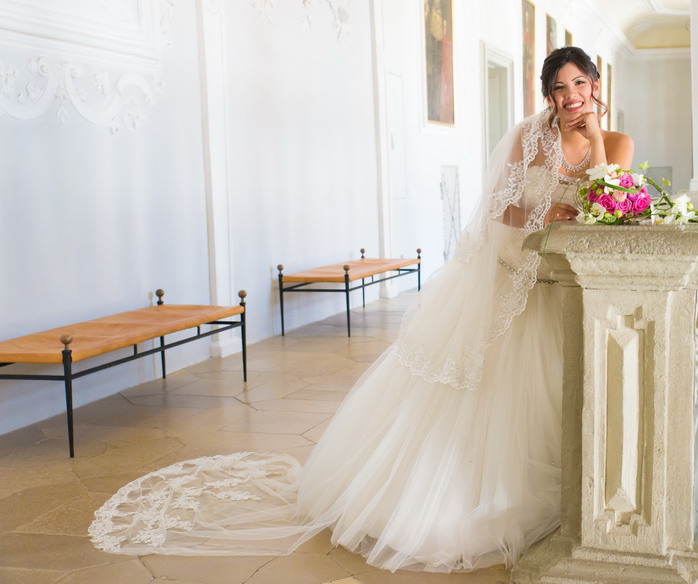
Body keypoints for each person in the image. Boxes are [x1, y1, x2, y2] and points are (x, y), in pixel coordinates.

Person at [89, 47, 634, 572]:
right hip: (512, 272)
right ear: (547, 94)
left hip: (558, 282)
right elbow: (499, 209)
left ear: (595, 85)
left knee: (552, 391)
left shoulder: (617, 140)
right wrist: (541, 214)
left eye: (580, 84)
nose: (570, 96)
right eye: (559, 87)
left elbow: (612, 204)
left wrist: (595, 145)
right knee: (485, 388)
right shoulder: (526, 137)